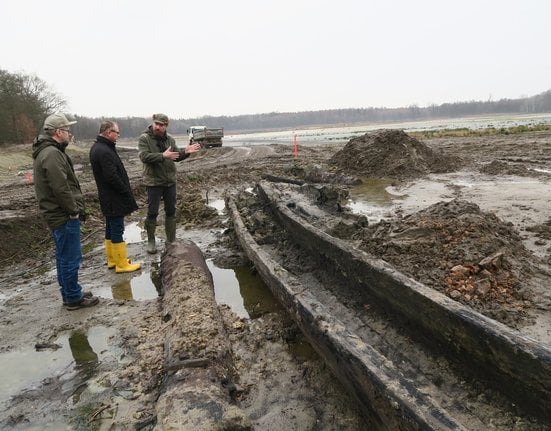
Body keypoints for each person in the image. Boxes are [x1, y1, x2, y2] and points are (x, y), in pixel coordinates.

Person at [32, 113, 99, 310]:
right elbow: (60, 187)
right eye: (68, 130)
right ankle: (73, 298)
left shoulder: (48, 151)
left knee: (64, 256)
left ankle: (70, 292)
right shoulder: (52, 154)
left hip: (56, 213)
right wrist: (73, 211)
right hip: (62, 215)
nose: (70, 134)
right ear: (58, 132)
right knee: (70, 257)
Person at [138, 113, 201, 253]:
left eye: (162, 125)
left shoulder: (170, 139)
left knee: (171, 211)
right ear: (153, 123)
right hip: (153, 182)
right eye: (156, 124)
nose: (158, 127)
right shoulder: (144, 138)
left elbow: (176, 156)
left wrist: (186, 152)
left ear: (166, 126)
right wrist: (162, 156)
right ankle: (151, 241)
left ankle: (171, 240)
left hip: (169, 181)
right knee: (152, 212)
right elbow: (144, 157)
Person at [90, 120, 141, 273]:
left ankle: (113, 260)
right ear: (107, 132)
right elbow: (111, 176)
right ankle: (121, 264)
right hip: (114, 197)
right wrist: (125, 190)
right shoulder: (104, 151)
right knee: (117, 228)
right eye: (116, 132)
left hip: (107, 197)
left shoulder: (98, 147)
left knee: (110, 228)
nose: (118, 135)